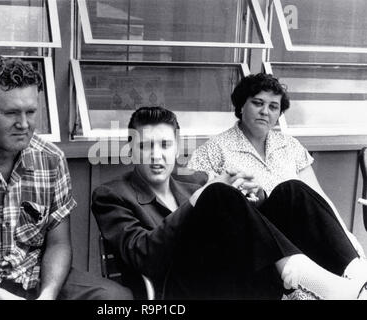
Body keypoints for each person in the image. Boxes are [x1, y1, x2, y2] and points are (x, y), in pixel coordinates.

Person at [92, 106, 367, 300]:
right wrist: (203, 198)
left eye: (164, 145)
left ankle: (357, 276)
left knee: (291, 191)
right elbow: (144, 256)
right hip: (181, 290)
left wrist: (254, 196)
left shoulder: (194, 181)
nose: (156, 156)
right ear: (130, 149)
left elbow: (249, 227)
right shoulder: (111, 195)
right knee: (215, 194)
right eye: (145, 146)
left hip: (238, 274)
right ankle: (308, 278)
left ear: (176, 147)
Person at [0, 56, 132, 300]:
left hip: (34, 279)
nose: (23, 124)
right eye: (11, 113)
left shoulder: (52, 160)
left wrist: (48, 295)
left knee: (114, 298)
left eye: (30, 112)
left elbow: (59, 244)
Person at [187, 72, 365, 261]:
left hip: (299, 238)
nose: (265, 111)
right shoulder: (214, 148)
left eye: (273, 107)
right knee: (291, 190)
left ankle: (356, 271)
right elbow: (199, 206)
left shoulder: (290, 146)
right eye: (258, 103)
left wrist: (348, 238)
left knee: (296, 191)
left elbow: (320, 200)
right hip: (252, 239)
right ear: (241, 106)